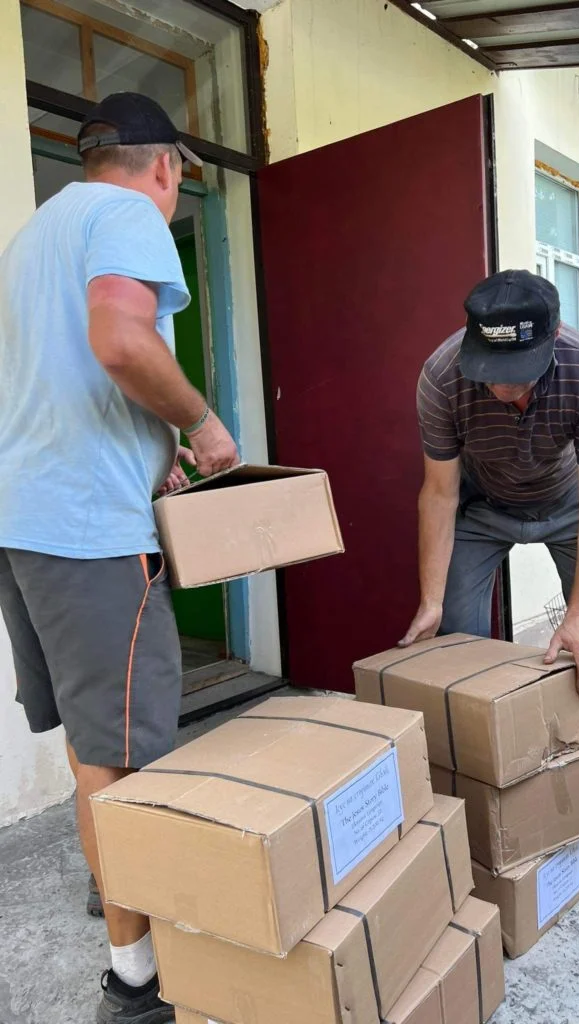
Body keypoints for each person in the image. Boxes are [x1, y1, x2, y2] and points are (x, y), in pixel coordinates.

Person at [0, 93, 239, 1023]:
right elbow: (120, 339)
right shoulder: (128, 215)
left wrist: (150, 450)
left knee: (92, 742)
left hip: (27, 528)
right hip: (92, 537)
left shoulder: (32, 240)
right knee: (128, 758)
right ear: (166, 167)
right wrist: (200, 422)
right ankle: (134, 985)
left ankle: (118, 883)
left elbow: (62, 379)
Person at [401, 269, 579, 858]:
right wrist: (431, 600)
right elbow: (438, 493)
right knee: (456, 636)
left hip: (567, 506)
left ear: (552, 338)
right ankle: (478, 792)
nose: (503, 391)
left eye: (517, 377)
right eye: (492, 376)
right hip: (484, 507)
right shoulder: (440, 377)